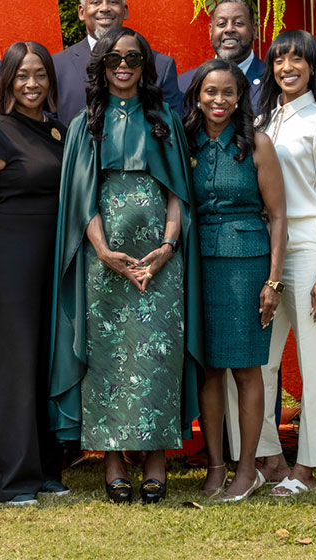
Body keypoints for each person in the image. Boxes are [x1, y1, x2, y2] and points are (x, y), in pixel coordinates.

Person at [50, 26, 204, 505]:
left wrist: (169, 246)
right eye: (114, 59)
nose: (123, 66)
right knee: (108, 357)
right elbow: (80, 198)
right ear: (101, 66)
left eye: (133, 58)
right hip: (104, 261)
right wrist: (101, 250)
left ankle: (156, 459)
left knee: (159, 355)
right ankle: (113, 461)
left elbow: (178, 193)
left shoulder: (165, 121)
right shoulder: (84, 125)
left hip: (161, 259)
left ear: (144, 66)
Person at [0, 41, 68, 505]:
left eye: (40, 74)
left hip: (52, 264)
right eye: (23, 75)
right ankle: (11, 478)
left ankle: (46, 469)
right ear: (7, 80)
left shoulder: (57, 129)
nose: (32, 84)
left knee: (46, 363)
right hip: (9, 265)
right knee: (15, 368)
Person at [182, 59, 287, 501]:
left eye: (228, 92)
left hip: (246, 264)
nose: (219, 100)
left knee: (246, 368)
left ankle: (247, 470)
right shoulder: (185, 141)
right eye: (211, 91)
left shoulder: (257, 143)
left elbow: (278, 216)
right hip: (198, 264)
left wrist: (273, 282)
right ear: (197, 96)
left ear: (241, 96)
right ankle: (215, 467)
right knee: (208, 368)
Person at [252, 30, 316, 496]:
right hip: (269, 250)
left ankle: (308, 467)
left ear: (312, 67)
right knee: (260, 361)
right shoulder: (264, 120)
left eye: (296, 59)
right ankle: (268, 458)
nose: (287, 67)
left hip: (310, 250)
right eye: (279, 59)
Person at [53, 0, 185, 126]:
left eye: (113, 2)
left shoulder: (160, 65)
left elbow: (174, 128)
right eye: (96, 2)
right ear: (82, 12)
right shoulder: (57, 65)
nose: (104, 8)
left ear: (125, 11)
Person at [178, 0, 265, 106]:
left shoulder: (274, 80)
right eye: (221, 24)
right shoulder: (184, 84)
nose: (229, 29)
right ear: (210, 32)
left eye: (238, 23)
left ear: (254, 31)